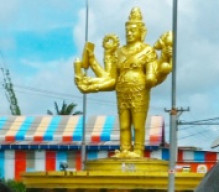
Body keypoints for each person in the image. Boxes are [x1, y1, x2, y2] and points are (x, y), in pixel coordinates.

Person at [74, 7, 173, 157]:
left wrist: (153, 74)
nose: (129, 33)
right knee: (124, 124)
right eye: (128, 31)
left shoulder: (147, 51)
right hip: (122, 91)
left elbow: (152, 73)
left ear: (142, 32)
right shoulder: (120, 52)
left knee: (138, 125)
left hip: (139, 90)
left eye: (133, 30)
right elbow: (111, 78)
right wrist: (92, 84)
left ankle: (138, 150)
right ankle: (125, 148)